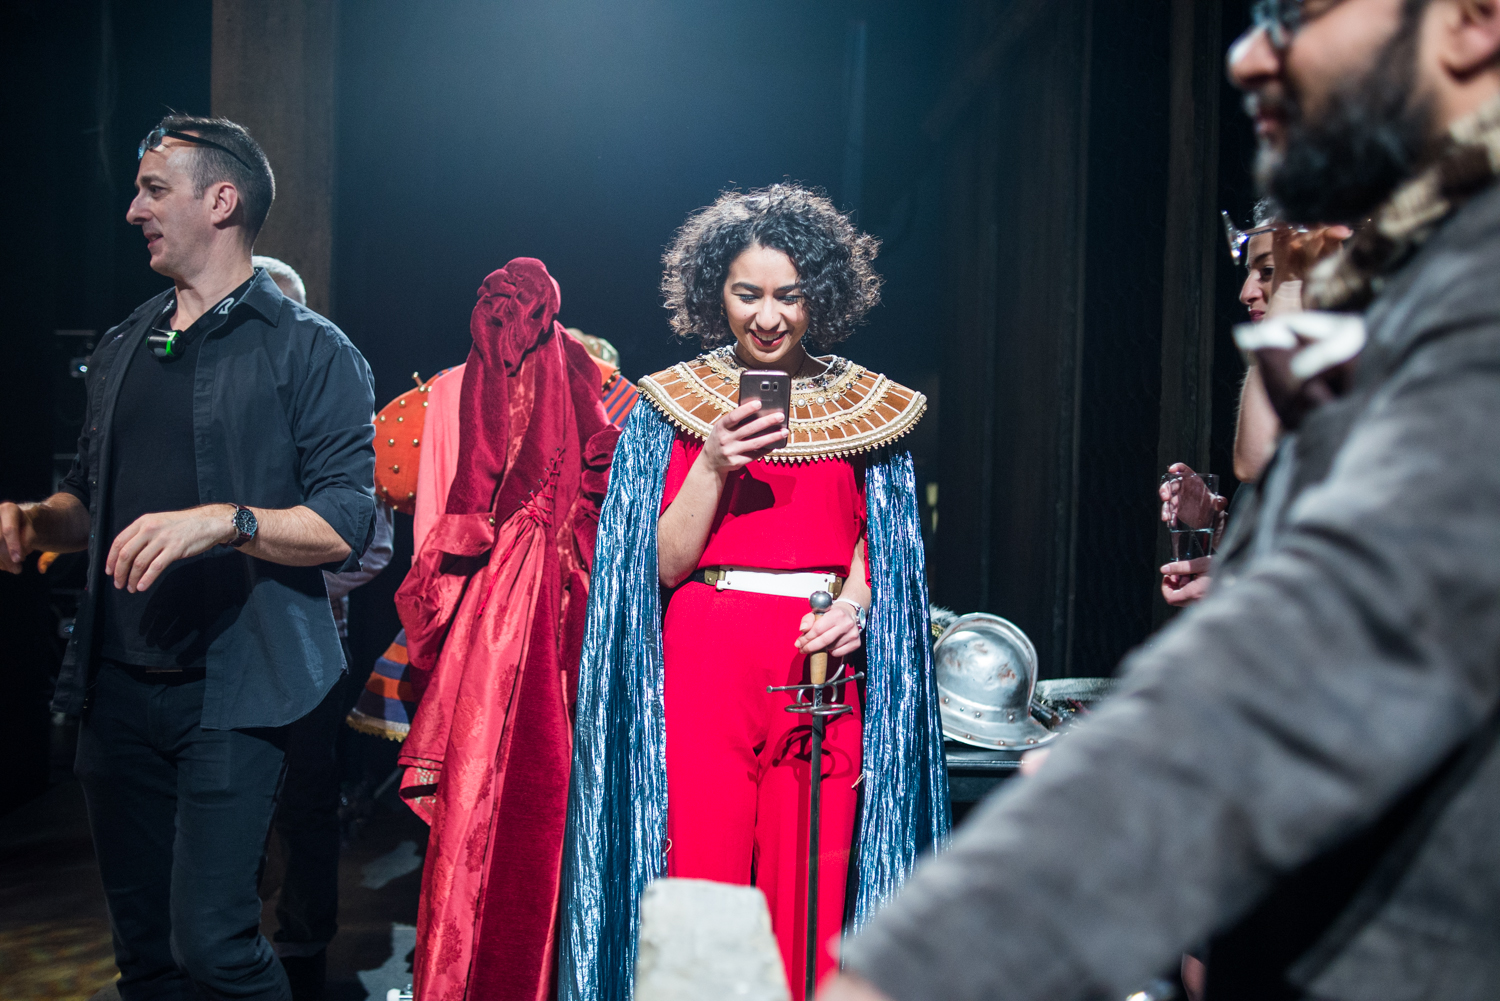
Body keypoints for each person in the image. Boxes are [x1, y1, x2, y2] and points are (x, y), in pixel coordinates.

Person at [823, 1, 1500, 999]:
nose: (1250, 54)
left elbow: (1315, 653)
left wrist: (924, 963)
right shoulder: (1425, 275)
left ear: (1474, 22)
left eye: (1296, 13)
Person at [0, 116, 375, 1001]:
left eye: (153, 190)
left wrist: (225, 520)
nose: (133, 209)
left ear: (222, 199)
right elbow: (85, 504)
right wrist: (30, 519)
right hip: (115, 688)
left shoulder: (312, 349)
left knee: (215, 944)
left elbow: (346, 523)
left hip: (238, 691)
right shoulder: (127, 342)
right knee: (148, 956)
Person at [559, 184, 950, 999]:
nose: (768, 316)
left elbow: (881, 552)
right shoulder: (672, 406)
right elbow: (658, 567)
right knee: (704, 884)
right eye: (748, 294)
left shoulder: (869, 410)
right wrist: (713, 462)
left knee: (813, 890)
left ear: (821, 296)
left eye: (789, 295)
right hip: (707, 659)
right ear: (717, 295)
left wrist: (856, 607)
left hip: (824, 666)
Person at [392, 258, 618, 1001]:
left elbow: (435, 542)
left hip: (480, 648)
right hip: (581, 632)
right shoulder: (611, 397)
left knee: (475, 830)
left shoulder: (447, 395)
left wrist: (432, 654)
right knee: (575, 831)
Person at [249, 255, 394, 1000]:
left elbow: (370, 544)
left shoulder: (334, 415)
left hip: (309, 651)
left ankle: (303, 944)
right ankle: (228, 940)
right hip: (224, 647)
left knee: (305, 799)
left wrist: (282, 559)